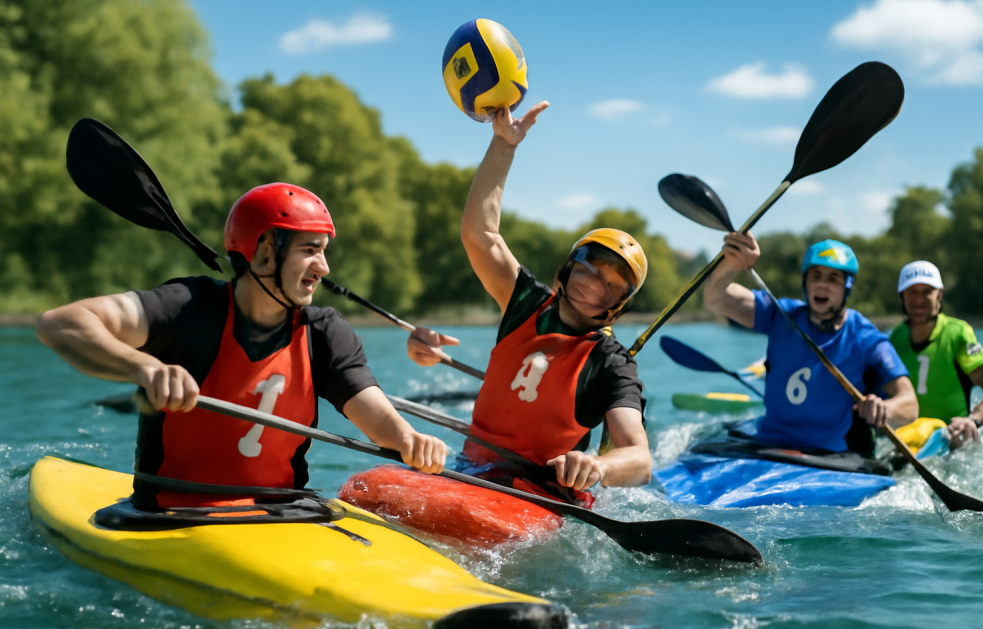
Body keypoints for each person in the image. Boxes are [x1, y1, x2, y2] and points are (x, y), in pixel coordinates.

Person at [37, 183, 447, 509]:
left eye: (323, 253)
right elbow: (61, 324)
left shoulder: (324, 332)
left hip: (284, 512)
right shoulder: (187, 308)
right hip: (173, 514)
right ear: (266, 253)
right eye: (309, 251)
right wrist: (145, 368)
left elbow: (371, 409)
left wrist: (408, 438)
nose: (323, 268)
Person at [407, 102, 651, 502]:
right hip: (470, 472)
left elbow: (639, 459)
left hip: (538, 495)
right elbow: (479, 234)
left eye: (613, 284)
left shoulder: (611, 363)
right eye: (591, 267)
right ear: (569, 267)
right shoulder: (525, 302)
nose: (596, 284)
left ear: (619, 305)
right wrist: (504, 145)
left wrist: (598, 466)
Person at [703, 234, 918, 456]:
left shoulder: (867, 339)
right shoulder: (780, 315)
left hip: (828, 455)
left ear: (847, 288)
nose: (822, 285)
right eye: (816, 276)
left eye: (833, 279)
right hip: (769, 444)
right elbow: (715, 298)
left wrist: (884, 408)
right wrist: (731, 262)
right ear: (805, 282)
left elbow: (910, 404)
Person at [889, 260, 983, 449]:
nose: (919, 299)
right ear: (901, 296)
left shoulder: (957, 334)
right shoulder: (896, 337)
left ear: (940, 294)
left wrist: (972, 421)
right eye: (913, 291)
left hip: (951, 442)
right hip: (907, 441)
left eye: (927, 291)